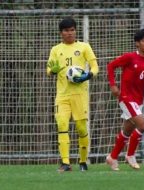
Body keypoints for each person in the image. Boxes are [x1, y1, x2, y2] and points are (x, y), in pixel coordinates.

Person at [106, 29, 144, 170]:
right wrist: (113, 85)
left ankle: (112, 157)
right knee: (143, 125)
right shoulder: (130, 57)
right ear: (137, 43)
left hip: (138, 100)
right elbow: (111, 66)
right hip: (126, 97)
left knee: (127, 129)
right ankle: (130, 155)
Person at [47, 17, 99, 172]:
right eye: (66, 31)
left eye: (72, 30)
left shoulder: (84, 47)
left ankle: (83, 161)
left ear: (75, 31)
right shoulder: (56, 49)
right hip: (62, 96)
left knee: (81, 128)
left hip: (79, 95)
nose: (69, 33)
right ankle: (65, 163)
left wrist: (87, 76)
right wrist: (53, 70)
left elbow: (95, 67)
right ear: (61, 33)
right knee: (62, 125)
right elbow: (49, 70)